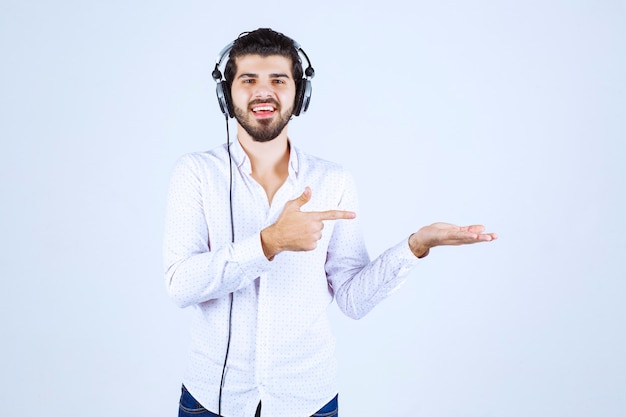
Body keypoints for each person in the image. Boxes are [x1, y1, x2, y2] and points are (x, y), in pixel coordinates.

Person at [163, 28, 497, 417]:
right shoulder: (196, 174)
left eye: (278, 80)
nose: (263, 92)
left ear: (300, 94)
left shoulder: (332, 181)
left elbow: (352, 300)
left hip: (306, 399)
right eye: (248, 80)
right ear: (226, 94)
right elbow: (180, 285)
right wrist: (268, 243)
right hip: (211, 399)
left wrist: (415, 247)